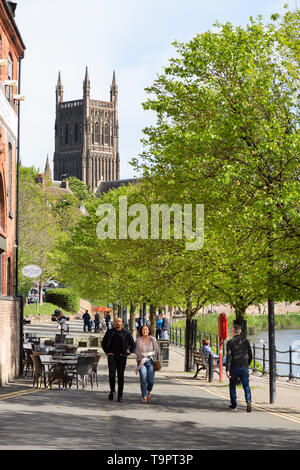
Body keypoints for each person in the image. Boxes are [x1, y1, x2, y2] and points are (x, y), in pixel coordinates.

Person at [102, 317, 135, 402]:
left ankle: (120, 395)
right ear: (114, 323)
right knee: (111, 375)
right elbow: (103, 343)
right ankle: (112, 391)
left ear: (122, 323)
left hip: (122, 357)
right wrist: (107, 352)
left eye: (119, 321)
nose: (118, 323)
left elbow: (133, 345)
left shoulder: (127, 333)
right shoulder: (110, 332)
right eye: (116, 321)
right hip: (112, 356)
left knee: (120, 376)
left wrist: (129, 351)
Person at [226, 324, 253, 412]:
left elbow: (229, 356)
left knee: (232, 385)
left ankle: (234, 404)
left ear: (233, 331)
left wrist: (227, 369)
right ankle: (248, 401)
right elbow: (250, 355)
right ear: (240, 331)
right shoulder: (246, 341)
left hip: (234, 367)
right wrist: (247, 364)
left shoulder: (230, 342)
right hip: (244, 366)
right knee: (246, 385)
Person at [134, 324, 159, 403]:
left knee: (150, 380)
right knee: (143, 378)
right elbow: (136, 350)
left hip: (150, 360)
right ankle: (144, 396)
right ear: (141, 331)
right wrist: (141, 355)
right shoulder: (138, 340)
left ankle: (149, 390)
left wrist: (148, 354)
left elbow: (156, 350)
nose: (145, 331)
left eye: (146, 329)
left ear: (149, 331)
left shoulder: (152, 339)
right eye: (143, 329)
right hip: (141, 361)